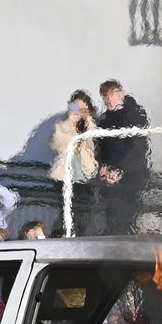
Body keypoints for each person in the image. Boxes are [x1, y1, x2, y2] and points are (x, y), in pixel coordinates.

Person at [95, 80, 149, 235]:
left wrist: (121, 171)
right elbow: (101, 147)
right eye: (105, 96)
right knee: (111, 217)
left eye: (111, 95)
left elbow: (137, 149)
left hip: (131, 177)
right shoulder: (105, 119)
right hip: (110, 179)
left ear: (121, 94)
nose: (107, 99)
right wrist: (103, 166)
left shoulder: (135, 115)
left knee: (126, 219)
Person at [50, 90, 100, 235]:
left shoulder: (92, 127)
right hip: (64, 178)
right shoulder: (61, 127)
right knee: (65, 215)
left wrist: (89, 123)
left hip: (85, 178)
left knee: (84, 215)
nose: (79, 113)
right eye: (75, 108)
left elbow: (93, 147)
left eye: (83, 109)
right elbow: (59, 147)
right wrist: (70, 122)